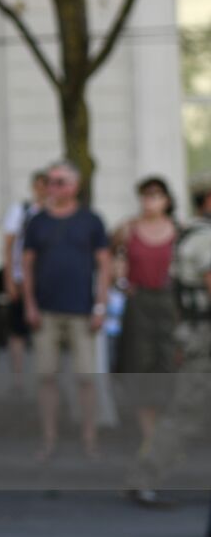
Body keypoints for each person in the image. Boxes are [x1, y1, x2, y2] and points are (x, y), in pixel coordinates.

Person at [127, 184, 211, 507]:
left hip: (196, 332)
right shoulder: (203, 238)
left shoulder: (190, 233)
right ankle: (144, 476)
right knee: (186, 411)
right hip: (205, 336)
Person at [22, 160, 111, 459]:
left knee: (86, 378)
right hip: (45, 312)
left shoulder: (91, 220)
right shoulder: (37, 221)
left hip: (82, 311)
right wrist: (30, 305)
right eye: (49, 181)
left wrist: (100, 306)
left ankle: (90, 438)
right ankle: (48, 439)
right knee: (46, 378)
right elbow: (27, 266)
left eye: (59, 181)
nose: (52, 187)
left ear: (74, 186)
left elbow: (105, 266)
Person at [110, 176, 179, 449]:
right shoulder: (128, 229)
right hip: (138, 305)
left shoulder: (177, 230)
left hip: (168, 304)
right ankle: (148, 437)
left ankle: (162, 434)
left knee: (166, 367)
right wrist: (119, 279)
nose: (150, 200)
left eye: (156, 194)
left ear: (167, 200)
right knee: (139, 366)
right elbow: (111, 256)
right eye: (145, 194)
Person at [0, 170, 47, 383]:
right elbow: (9, 246)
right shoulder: (22, 210)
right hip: (21, 278)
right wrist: (9, 278)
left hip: (45, 280)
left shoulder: (53, 212)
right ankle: (18, 377)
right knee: (17, 328)